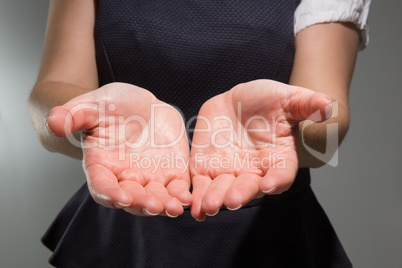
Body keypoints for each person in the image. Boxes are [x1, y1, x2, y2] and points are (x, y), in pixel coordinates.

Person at [28, 0, 370, 267]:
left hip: (268, 239)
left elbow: (326, 126)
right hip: (126, 223)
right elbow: (53, 94)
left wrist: (272, 134)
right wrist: (96, 121)